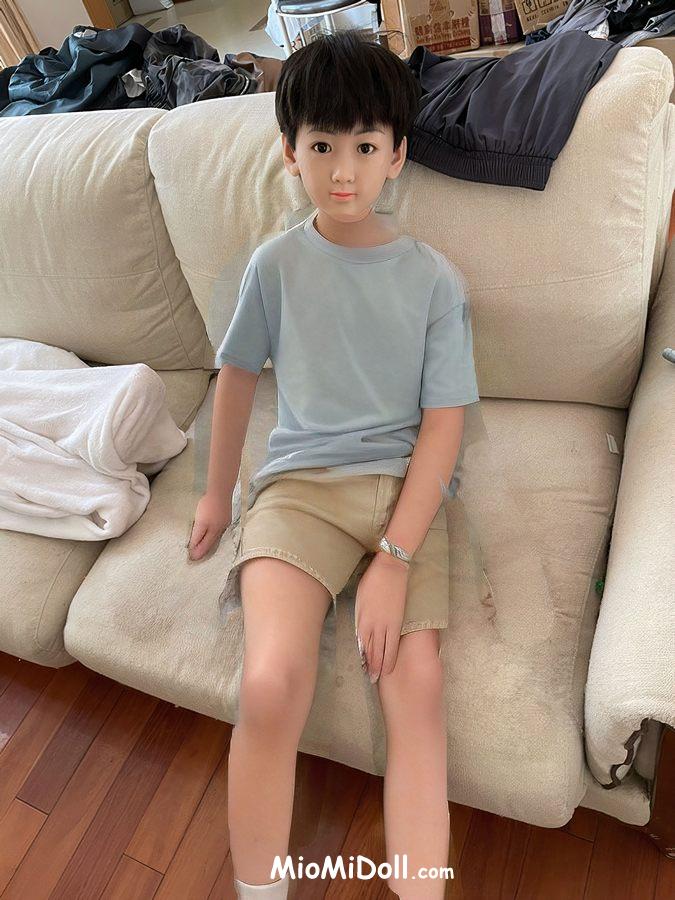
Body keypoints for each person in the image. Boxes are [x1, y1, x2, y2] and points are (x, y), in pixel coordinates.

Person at [187, 29, 480, 899]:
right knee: (270, 681)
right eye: (321, 146)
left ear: (397, 155)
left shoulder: (435, 281)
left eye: (363, 146)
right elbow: (236, 378)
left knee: (414, 686)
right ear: (290, 152)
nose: (342, 171)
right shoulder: (273, 266)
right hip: (299, 493)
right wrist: (215, 496)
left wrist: (393, 558)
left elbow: (444, 426)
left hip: (405, 495)